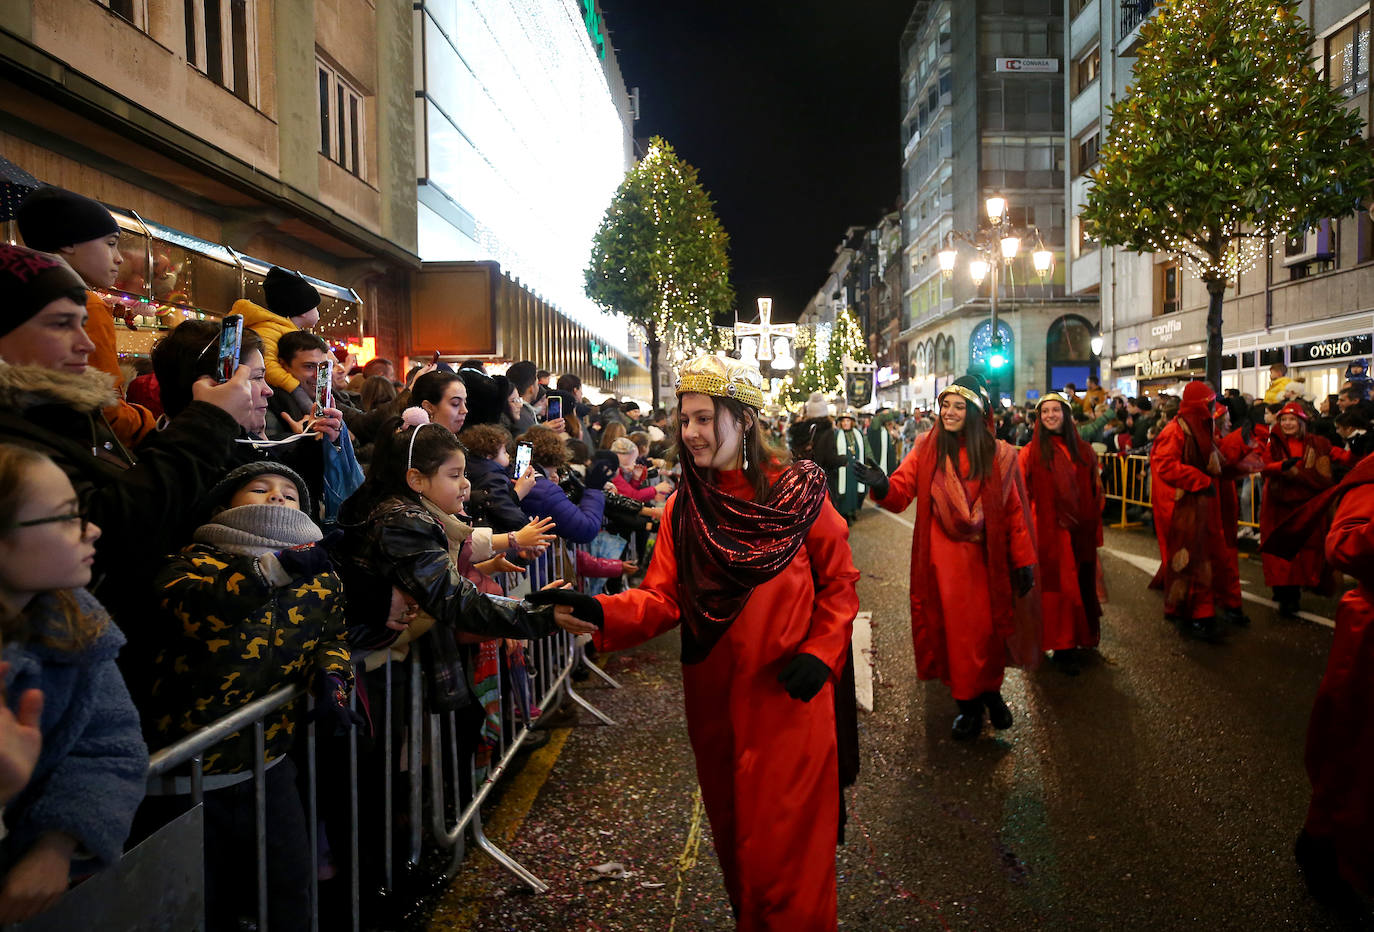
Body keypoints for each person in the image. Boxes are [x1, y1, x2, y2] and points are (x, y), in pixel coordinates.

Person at [530, 354, 859, 931]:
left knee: (788, 857)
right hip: (714, 705)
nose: (692, 433)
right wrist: (600, 609)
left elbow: (839, 585)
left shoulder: (799, 494)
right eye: (686, 420)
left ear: (744, 422)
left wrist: (820, 652)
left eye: (705, 419)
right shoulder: (686, 509)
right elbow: (662, 599)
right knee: (739, 850)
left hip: (790, 704)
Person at [136, 462, 356, 932]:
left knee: (288, 891)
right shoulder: (191, 563)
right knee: (199, 904)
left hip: (269, 762)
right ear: (223, 507)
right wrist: (273, 572)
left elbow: (331, 637)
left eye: (290, 494)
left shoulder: (320, 576)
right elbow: (194, 615)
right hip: (188, 776)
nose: (278, 497)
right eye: (260, 489)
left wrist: (334, 680)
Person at [0, 246, 253, 624]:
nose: (86, 343)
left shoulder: (65, 411)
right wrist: (208, 422)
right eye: (59, 324)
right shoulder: (15, 431)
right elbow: (105, 532)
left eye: (82, 323)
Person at [0, 445, 147, 924]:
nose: (92, 528)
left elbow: (109, 745)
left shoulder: (74, 621)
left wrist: (56, 842)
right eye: (66, 518)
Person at [853, 375, 1038, 740]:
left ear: (975, 412)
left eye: (958, 406)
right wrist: (881, 484)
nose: (949, 412)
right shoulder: (927, 447)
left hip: (986, 561)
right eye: (945, 405)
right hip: (942, 564)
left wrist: (1023, 559)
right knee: (956, 637)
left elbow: (1014, 511)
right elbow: (901, 492)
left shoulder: (999, 453)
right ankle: (968, 705)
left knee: (988, 632)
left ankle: (991, 691)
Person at [16, 185, 160, 450]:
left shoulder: (24, 294)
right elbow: (107, 411)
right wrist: (153, 425)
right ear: (68, 242)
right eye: (110, 244)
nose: (118, 259)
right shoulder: (85, 305)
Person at [1017, 393, 1104, 673]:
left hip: (1078, 533)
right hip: (1047, 534)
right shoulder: (1030, 453)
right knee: (1058, 591)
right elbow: (1021, 494)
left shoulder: (1084, 450)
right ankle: (1062, 644)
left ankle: (1074, 640)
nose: (1051, 415)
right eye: (1045, 412)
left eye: (1056, 410)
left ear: (1066, 415)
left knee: (1078, 586)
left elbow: (1095, 490)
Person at [1149, 381, 1228, 640]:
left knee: (1199, 557)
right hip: (1181, 505)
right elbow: (1165, 465)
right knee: (1189, 559)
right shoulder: (1176, 430)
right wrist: (1201, 480)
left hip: (1197, 504)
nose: (1211, 406)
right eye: (1208, 402)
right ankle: (1194, 612)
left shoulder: (1200, 425)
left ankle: (1193, 609)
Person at [1261, 402, 1335, 617]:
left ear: (1301, 422)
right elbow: (1264, 465)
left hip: (1305, 505)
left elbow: (1329, 465)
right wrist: (1282, 468)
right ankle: (1285, 594)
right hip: (1278, 506)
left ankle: (1291, 591)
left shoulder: (1316, 444)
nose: (1287, 423)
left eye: (1292, 420)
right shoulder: (1273, 443)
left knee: (1302, 552)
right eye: (1284, 420)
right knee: (1281, 551)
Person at [237, 266, 322, 403]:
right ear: (302, 311)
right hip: (271, 399)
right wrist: (294, 387)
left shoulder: (285, 330)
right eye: (316, 308)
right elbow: (266, 366)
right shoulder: (268, 329)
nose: (319, 313)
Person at [829, 410, 867, 523]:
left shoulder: (858, 434)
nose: (845, 423)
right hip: (843, 468)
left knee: (855, 490)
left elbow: (865, 448)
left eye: (848, 421)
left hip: (855, 467)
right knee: (844, 491)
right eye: (843, 421)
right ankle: (845, 514)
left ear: (852, 422)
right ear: (840, 423)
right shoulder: (836, 435)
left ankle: (853, 511)